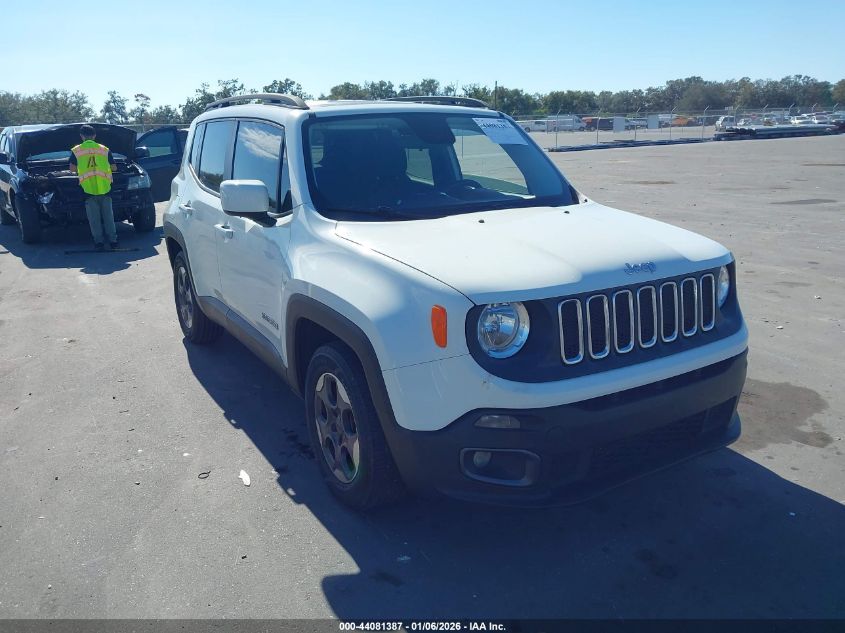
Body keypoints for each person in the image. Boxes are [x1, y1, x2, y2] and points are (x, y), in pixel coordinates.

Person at [70, 124, 118, 250]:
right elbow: (114, 167)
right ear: (95, 135)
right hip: (105, 188)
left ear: (81, 136)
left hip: (88, 189)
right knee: (108, 217)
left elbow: (72, 169)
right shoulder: (104, 149)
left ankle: (99, 243)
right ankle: (113, 241)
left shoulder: (77, 150)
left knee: (94, 219)